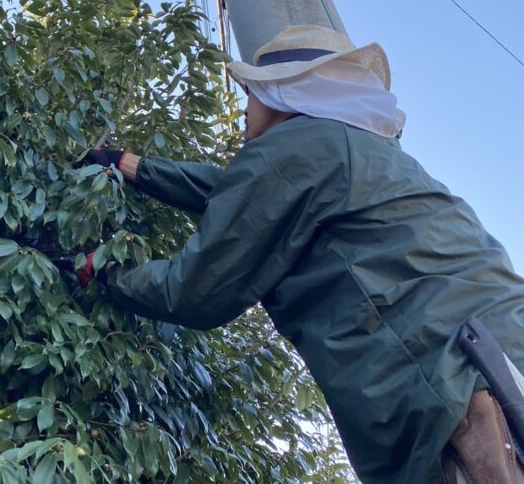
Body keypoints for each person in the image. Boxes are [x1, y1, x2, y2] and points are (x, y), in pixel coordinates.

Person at [80, 24, 524, 484]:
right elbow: (235, 192)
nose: (244, 110)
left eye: (250, 94)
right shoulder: (357, 151)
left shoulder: (293, 151)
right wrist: (129, 165)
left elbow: (193, 291)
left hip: (460, 388)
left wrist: (104, 273)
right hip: (495, 355)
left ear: (279, 92)